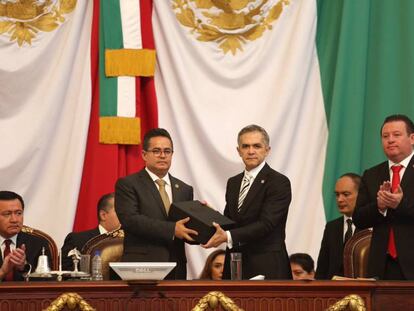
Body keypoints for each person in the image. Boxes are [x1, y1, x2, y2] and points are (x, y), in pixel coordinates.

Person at [203, 124, 292, 279]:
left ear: (267, 150)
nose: (251, 151)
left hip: (266, 266)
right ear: (239, 151)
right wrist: (211, 217)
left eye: (257, 146)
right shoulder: (233, 182)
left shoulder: (279, 182)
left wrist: (228, 236)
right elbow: (231, 221)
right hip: (235, 264)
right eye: (246, 146)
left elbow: (266, 224)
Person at [115, 128, 197, 280]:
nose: (162, 155)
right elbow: (130, 220)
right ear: (144, 155)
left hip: (176, 268)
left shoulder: (184, 189)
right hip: (142, 267)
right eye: (156, 151)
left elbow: (185, 229)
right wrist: (172, 229)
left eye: (167, 151)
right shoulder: (128, 184)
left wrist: (205, 224)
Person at [353, 114, 414, 280]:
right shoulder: (372, 174)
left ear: (412, 138)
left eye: (396, 135)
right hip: (382, 265)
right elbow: (358, 218)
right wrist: (379, 207)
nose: (390, 140)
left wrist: (400, 204)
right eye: (385, 136)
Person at [315, 173, 361, 279]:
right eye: (337, 194)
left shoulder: (372, 226)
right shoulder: (332, 227)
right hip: (333, 292)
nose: (339, 199)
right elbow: (322, 269)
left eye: (346, 194)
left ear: (361, 194)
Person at [61, 193, 120, 271]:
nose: (125, 215)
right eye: (120, 211)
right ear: (103, 215)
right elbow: (64, 273)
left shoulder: (130, 242)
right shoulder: (77, 240)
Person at [0, 191, 51, 281]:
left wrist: (24, 268)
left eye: (18, 213)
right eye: (7, 214)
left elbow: (47, 284)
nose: (14, 220)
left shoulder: (38, 244)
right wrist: (2, 272)